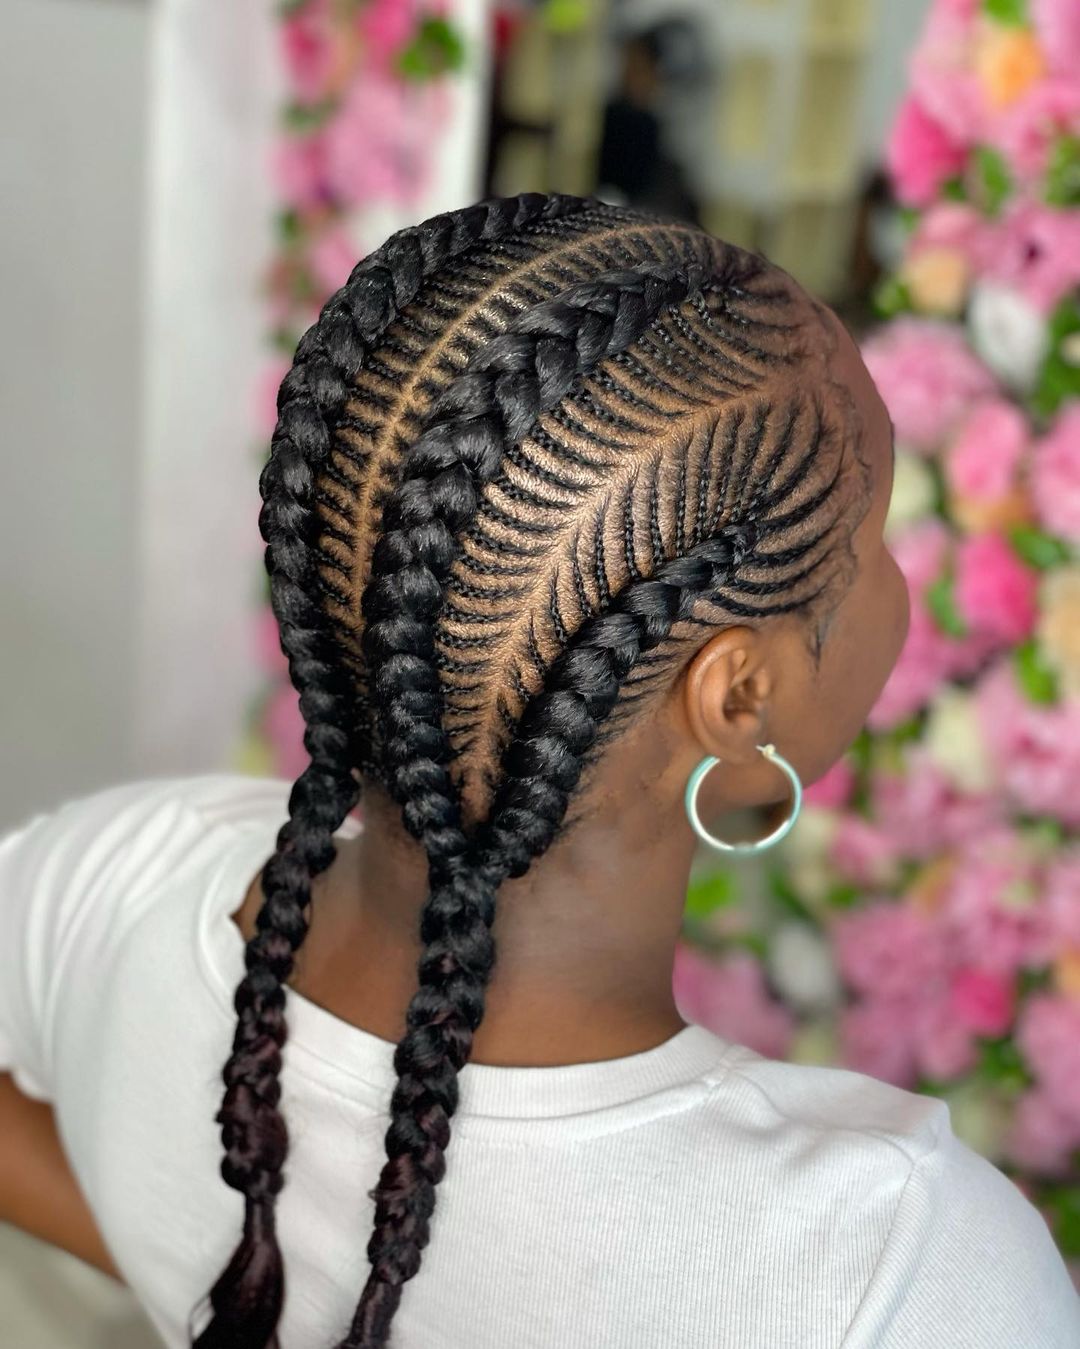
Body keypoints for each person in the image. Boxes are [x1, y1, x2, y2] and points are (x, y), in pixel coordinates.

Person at [1, 194, 1077, 1349]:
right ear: (737, 695)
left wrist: (208, 1276)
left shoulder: (117, 877)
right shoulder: (901, 1268)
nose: (895, 579)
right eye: (870, 544)